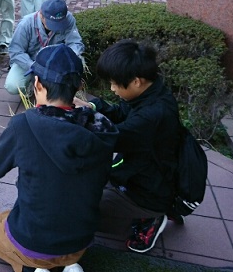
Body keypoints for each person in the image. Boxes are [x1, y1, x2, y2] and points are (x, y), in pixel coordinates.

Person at [0, 44, 118, 272]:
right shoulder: (102, 128)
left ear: (37, 84)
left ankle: (32, 267)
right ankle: (70, 265)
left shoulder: (23, 125)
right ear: (79, 86)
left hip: (34, 243)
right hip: (80, 241)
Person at [74, 40, 181, 253]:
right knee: (84, 192)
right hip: (138, 169)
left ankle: (151, 216)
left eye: (115, 83)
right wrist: (91, 106)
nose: (112, 89)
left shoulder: (153, 115)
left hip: (147, 189)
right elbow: (121, 113)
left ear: (136, 81)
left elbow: (113, 137)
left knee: (79, 211)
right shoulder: (150, 92)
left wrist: (80, 118)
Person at [5, 0, 84, 96]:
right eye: (53, 23)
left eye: (60, 23)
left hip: (56, 61)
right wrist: (33, 66)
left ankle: (66, 91)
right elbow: (16, 51)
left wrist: (67, 58)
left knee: (79, 60)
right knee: (12, 86)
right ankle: (32, 86)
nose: (57, 27)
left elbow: (76, 43)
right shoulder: (26, 24)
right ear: (41, 15)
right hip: (30, 61)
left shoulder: (68, 19)